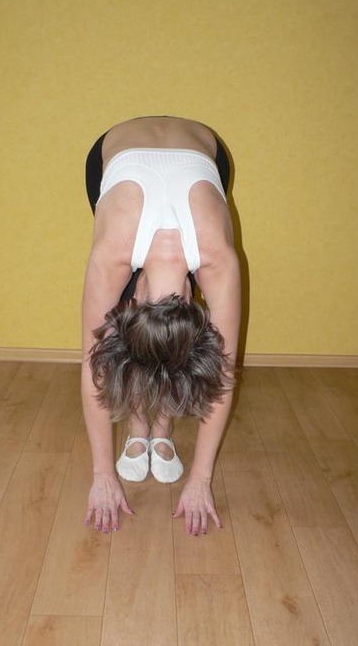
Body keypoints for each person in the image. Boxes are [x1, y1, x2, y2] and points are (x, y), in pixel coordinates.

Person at [82, 116, 241, 536]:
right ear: (130, 303)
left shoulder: (217, 260)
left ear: (198, 305)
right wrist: (101, 475)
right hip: (114, 152)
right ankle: (139, 427)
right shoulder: (113, 254)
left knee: (170, 355)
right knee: (129, 349)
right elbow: (92, 365)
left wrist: (201, 479)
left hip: (204, 151)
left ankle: (161, 428)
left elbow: (222, 373)